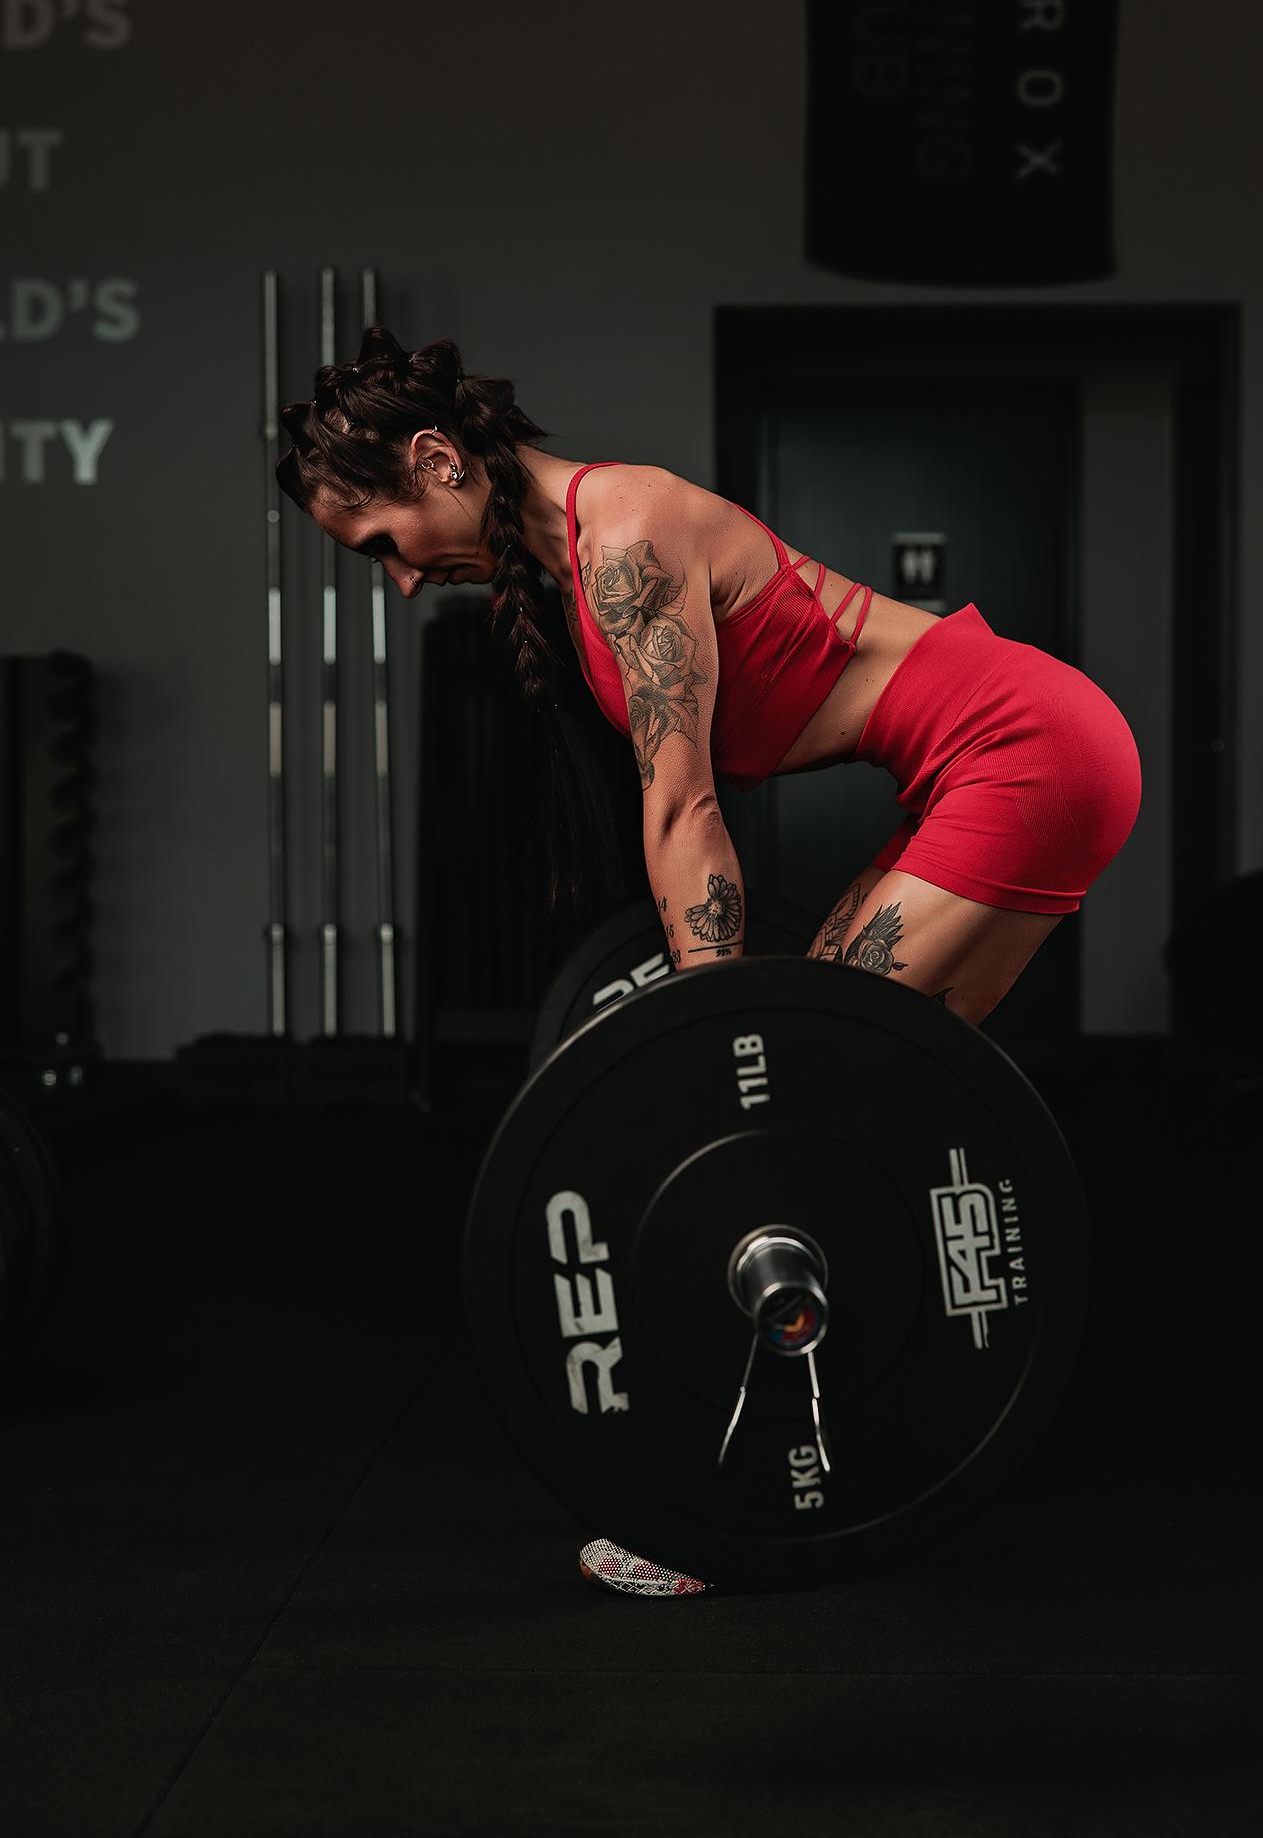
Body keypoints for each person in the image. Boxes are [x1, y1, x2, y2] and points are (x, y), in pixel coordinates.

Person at [278, 326, 1142, 1598]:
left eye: (383, 546)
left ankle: (724, 1504)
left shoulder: (623, 530)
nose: (401, 582)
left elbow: (682, 810)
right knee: (878, 1117)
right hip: (1006, 755)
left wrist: (707, 1046)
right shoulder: (576, 558)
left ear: (434, 459)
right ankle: (845, 1455)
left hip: (1020, 746)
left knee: (804, 1098)